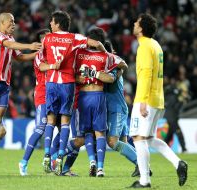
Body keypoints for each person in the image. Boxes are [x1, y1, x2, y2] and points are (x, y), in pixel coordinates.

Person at [41, 11, 106, 176]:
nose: (50, 24)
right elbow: (95, 43)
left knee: (50, 120)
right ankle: (61, 155)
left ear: (57, 23)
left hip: (52, 82)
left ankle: (47, 154)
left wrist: (51, 66)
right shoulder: (74, 37)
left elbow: (43, 63)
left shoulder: (47, 38)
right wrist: (103, 52)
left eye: (52, 22)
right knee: (64, 122)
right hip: (68, 83)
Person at [129, 13, 188, 188]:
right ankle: (178, 164)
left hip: (146, 98)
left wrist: (143, 101)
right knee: (148, 139)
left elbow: (147, 74)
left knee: (138, 138)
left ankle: (145, 181)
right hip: (158, 98)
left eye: (137, 23)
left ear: (141, 28)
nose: (134, 23)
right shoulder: (156, 45)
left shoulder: (145, 46)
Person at [0, 12, 41, 168]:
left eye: (14, 21)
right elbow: (9, 45)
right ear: (2, 23)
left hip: (4, 84)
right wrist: (29, 45)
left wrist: (39, 53)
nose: (14, 24)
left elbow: (20, 57)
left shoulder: (11, 39)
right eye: (11, 22)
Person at [75, 27, 115, 177]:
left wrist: (86, 77)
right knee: (100, 133)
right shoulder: (106, 56)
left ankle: (91, 161)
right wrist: (96, 75)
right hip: (98, 95)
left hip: (84, 96)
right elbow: (110, 78)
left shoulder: (79, 54)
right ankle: (100, 168)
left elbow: (74, 77)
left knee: (87, 132)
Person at [103, 41, 146, 177]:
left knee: (112, 141)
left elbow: (110, 79)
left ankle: (142, 164)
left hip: (117, 109)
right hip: (116, 109)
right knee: (123, 142)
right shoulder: (113, 66)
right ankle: (142, 166)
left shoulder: (115, 68)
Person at [19, 28, 56, 176]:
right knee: (40, 128)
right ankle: (23, 162)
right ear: (42, 41)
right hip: (42, 94)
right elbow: (42, 67)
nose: (49, 41)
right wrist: (54, 65)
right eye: (46, 38)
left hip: (55, 93)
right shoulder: (40, 54)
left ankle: (50, 159)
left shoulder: (55, 52)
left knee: (57, 126)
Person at [164, 78, 187, 152]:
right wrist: (182, 101)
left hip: (170, 116)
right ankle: (184, 148)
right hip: (172, 117)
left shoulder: (168, 97)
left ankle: (164, 147)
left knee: (170, 133)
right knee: (178, 132)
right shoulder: (175, 98)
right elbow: (176, 107)